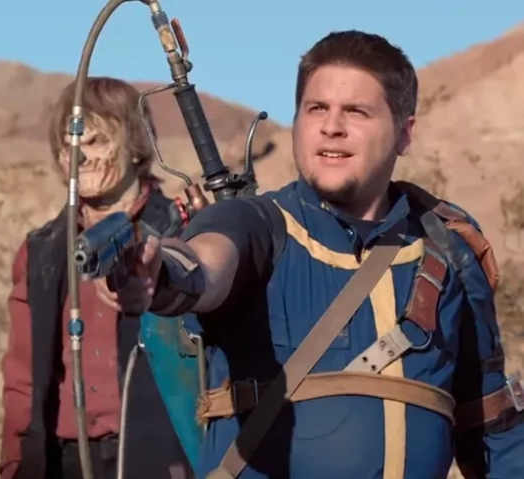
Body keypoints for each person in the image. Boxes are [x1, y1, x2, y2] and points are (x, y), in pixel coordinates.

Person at [96, 30, 524, 478]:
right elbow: (203, 262)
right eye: (316, 108)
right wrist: (160, 274)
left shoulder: (446, 245)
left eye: (356, 111)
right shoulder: (258, 225)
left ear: (404, 133)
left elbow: (492, 427)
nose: (331, 126)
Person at [0, 76, 193, 479]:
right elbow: (22, 377)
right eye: (69, 145)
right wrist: (17, 464)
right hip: (64, 460)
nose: (79, 157)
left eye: (95, 141)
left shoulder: (184, 231)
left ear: (135, 145)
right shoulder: (40, 251)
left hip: (161, 458)